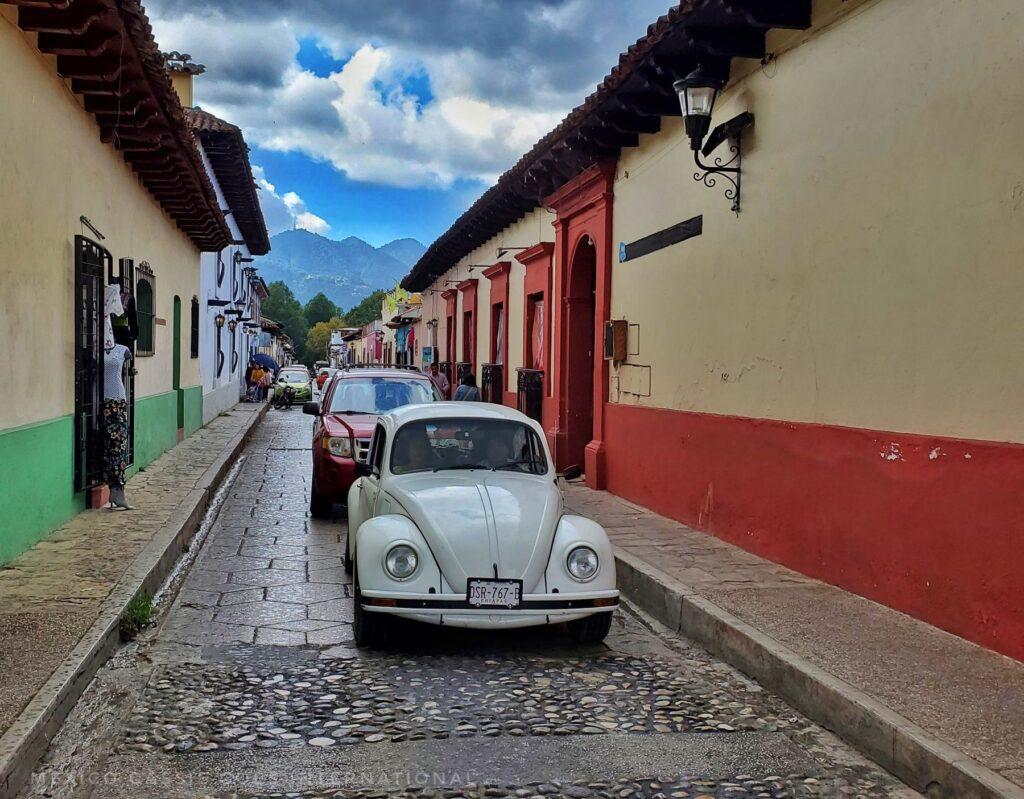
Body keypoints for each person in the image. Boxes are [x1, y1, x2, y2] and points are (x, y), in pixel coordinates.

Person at [103, 286, 133, 510]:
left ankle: (117, 490)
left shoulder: (122, 349)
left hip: (116, 401)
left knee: (118, 445)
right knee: (99, 445)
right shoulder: (93, 347)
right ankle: (108, 489)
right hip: (95, 401)